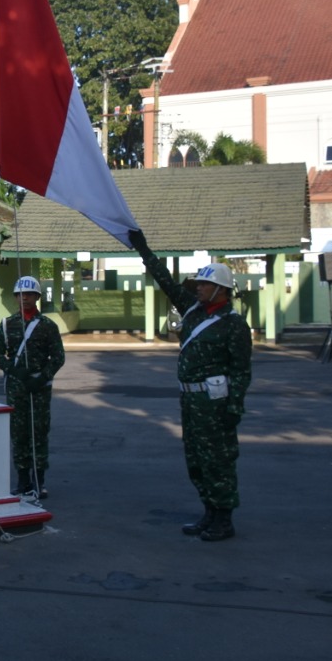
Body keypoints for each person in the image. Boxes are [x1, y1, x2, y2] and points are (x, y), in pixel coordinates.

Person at [129, 230, 252, 542]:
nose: (199, 288)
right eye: (199, 283)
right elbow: (167, 283)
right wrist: (144, 251)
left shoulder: (234, 325)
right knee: (196, 458)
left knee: (219, 460)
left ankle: (224, 518)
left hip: (216, 402)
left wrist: (234, 407)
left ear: (221, 290)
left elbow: (241, 370)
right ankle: (208, 511)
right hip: (191, 400)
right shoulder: (194, 311)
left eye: (205, 284)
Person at [0, 276, 66, 500]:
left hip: (40, 388)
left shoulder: (48, 326)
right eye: (20, 294)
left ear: (37, 297)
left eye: (30, 294)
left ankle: (39, 482)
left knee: (39, 433)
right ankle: (22, 480)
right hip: (16, 387)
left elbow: (58, 357)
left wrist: (42, 377)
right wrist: (14, 371)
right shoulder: (6, 325)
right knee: (19, 434)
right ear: (15, 297)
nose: (25, 298)